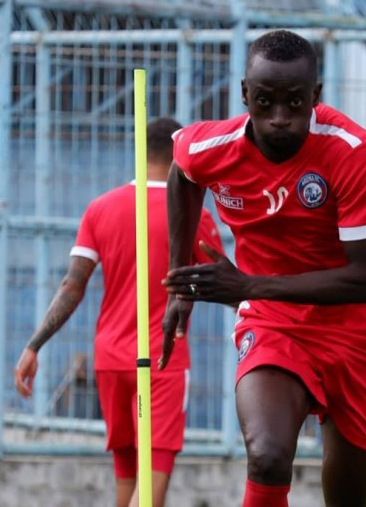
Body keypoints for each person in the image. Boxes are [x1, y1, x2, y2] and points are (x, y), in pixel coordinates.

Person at [160, 29, 366, 507]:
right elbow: (183, 173)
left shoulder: (352, 152)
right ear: (245, 93)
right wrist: (179, 281)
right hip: (274, 321)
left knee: (348, 500)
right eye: (265, 101)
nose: (279, 119)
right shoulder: (212, 146)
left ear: (316, 96)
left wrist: (249, 284)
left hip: (358, 332)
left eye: (294, 103)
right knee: (268, 456)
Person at [13, 118, 223, 507]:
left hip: (110, 360)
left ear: (138, 152)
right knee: (150, 494)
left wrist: (33, 346)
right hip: (163, 360)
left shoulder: (100, 208)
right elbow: (223, 281)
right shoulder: (193, 214)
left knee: (127, 487)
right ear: (181, 156)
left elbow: (72, 286)